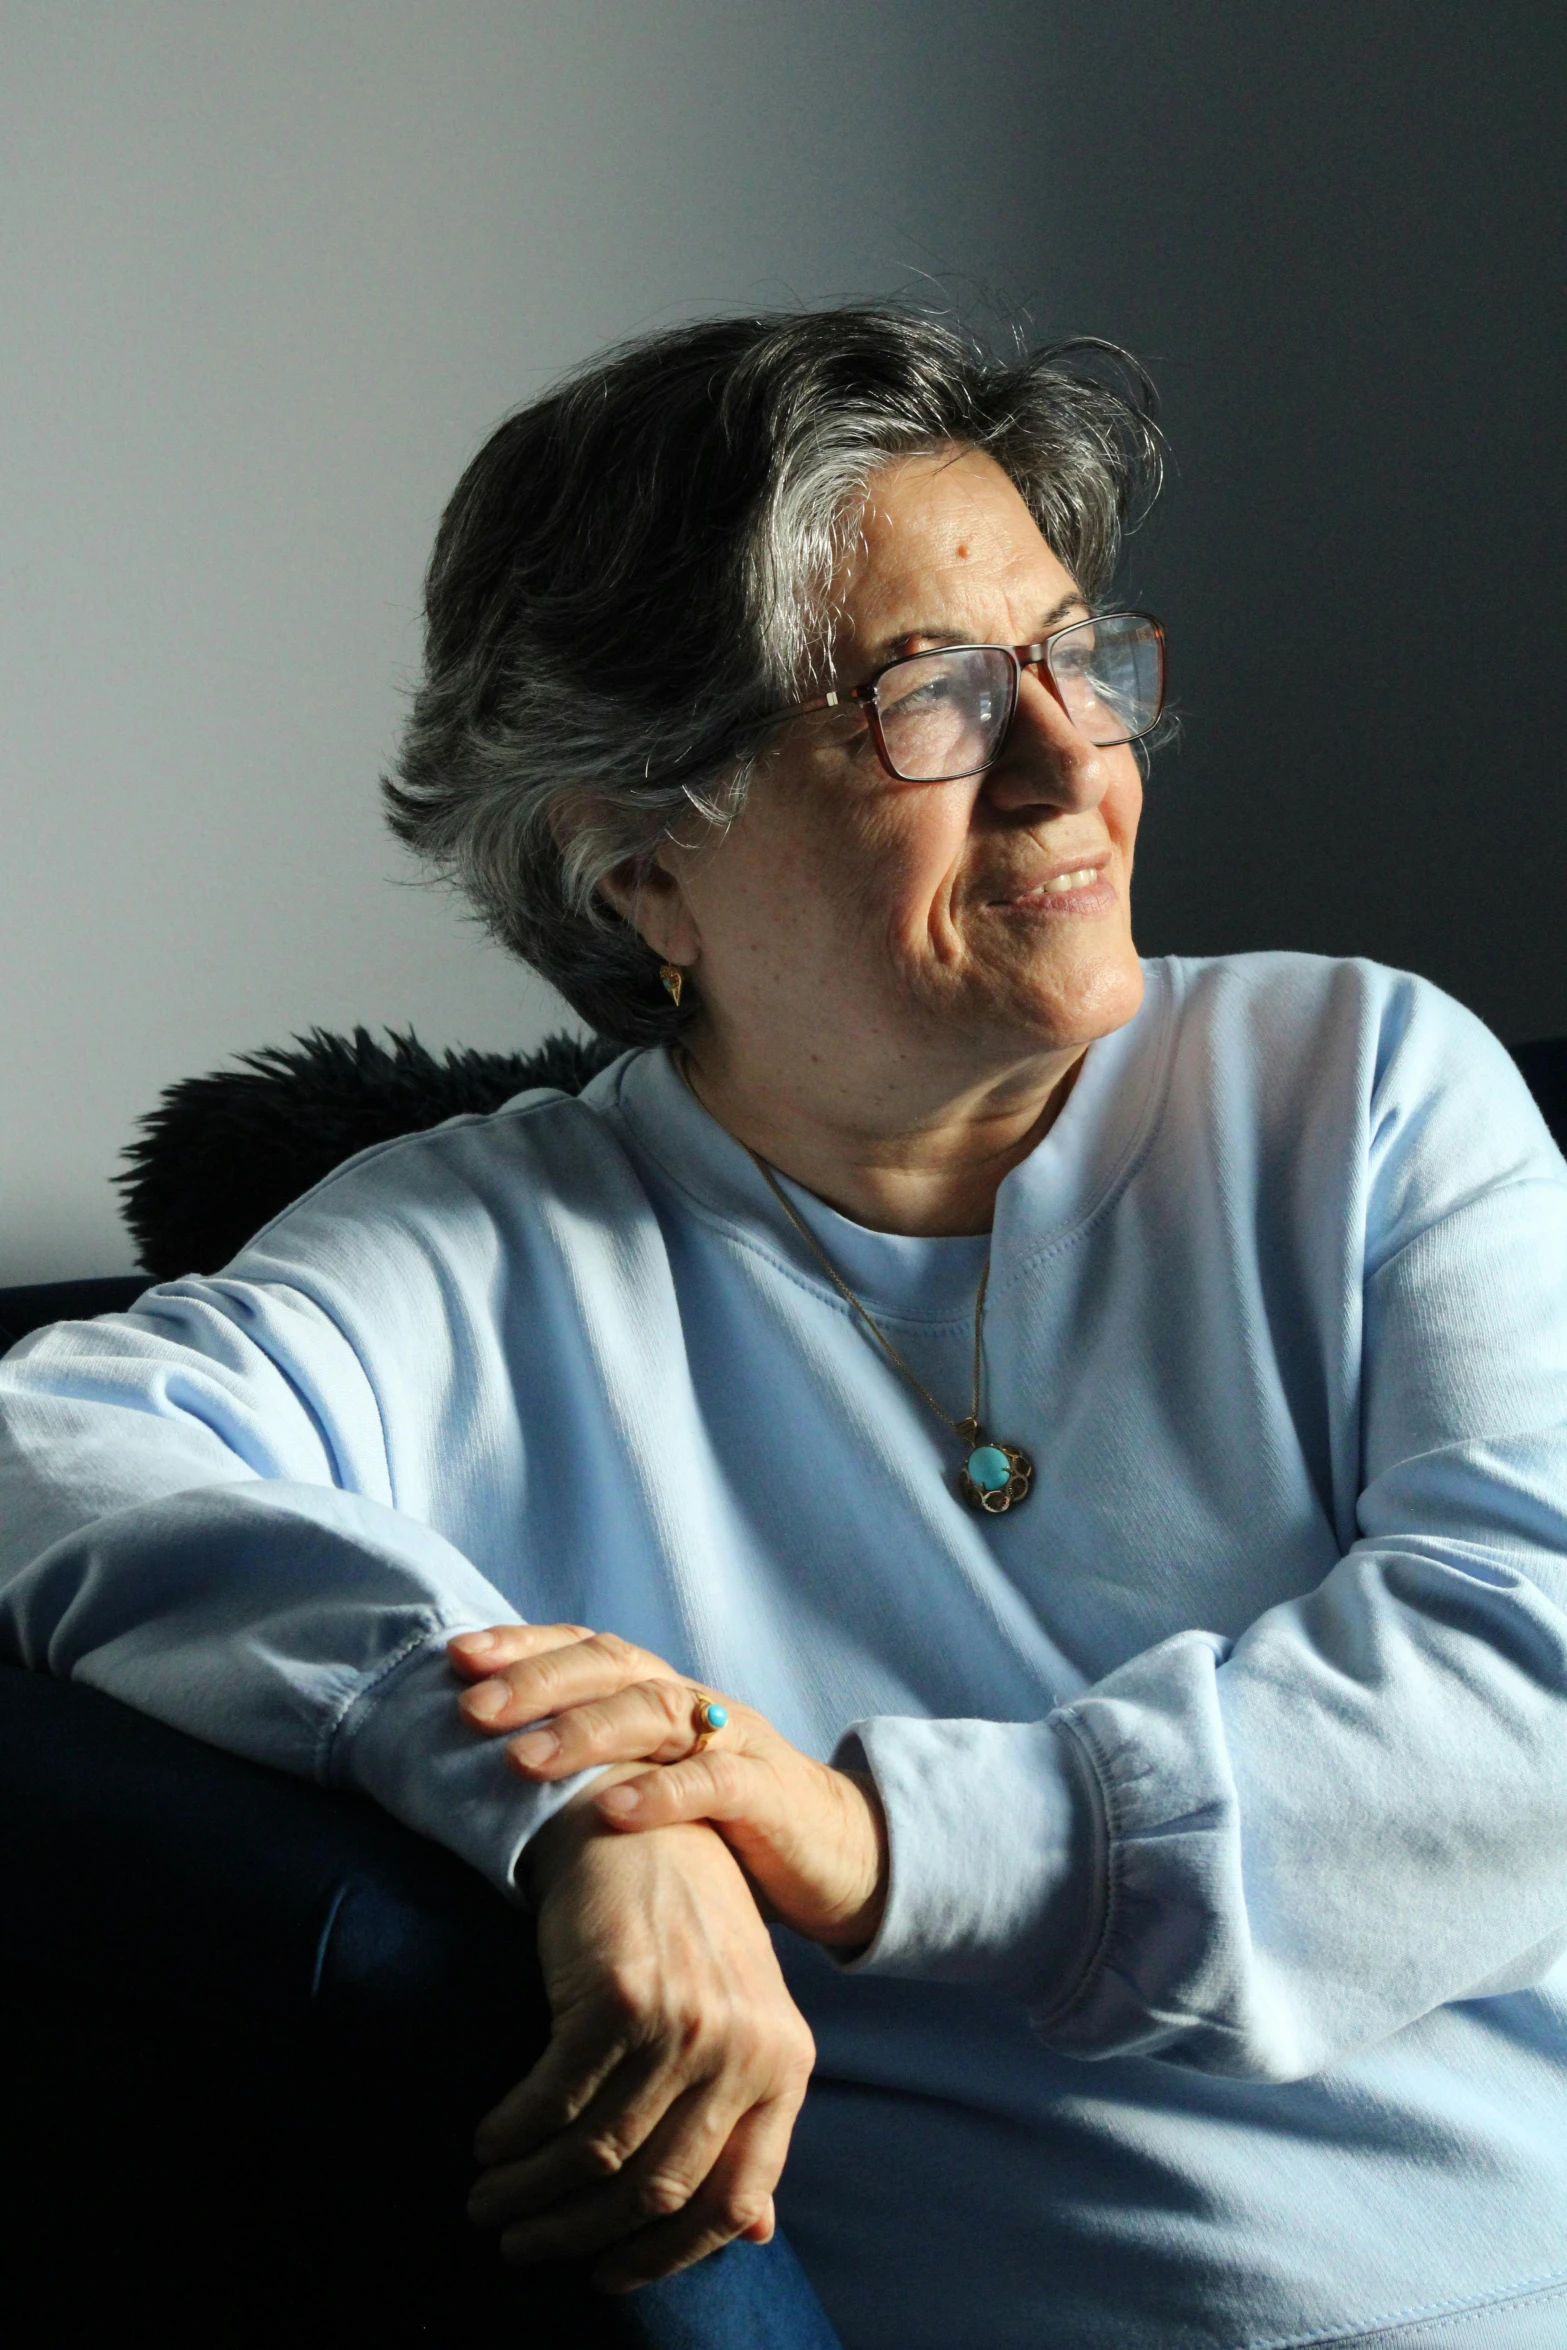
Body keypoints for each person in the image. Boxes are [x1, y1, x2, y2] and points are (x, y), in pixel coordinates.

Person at [4, 309, 1567, 2350]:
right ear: (643, 856)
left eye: (1074, 655)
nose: (1069, 760)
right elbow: (51, 1453)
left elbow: (1523, 1694)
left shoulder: (1357, 1084)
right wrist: (568, 1799)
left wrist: (861, 1831)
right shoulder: (481, 1250)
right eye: (929, 693)